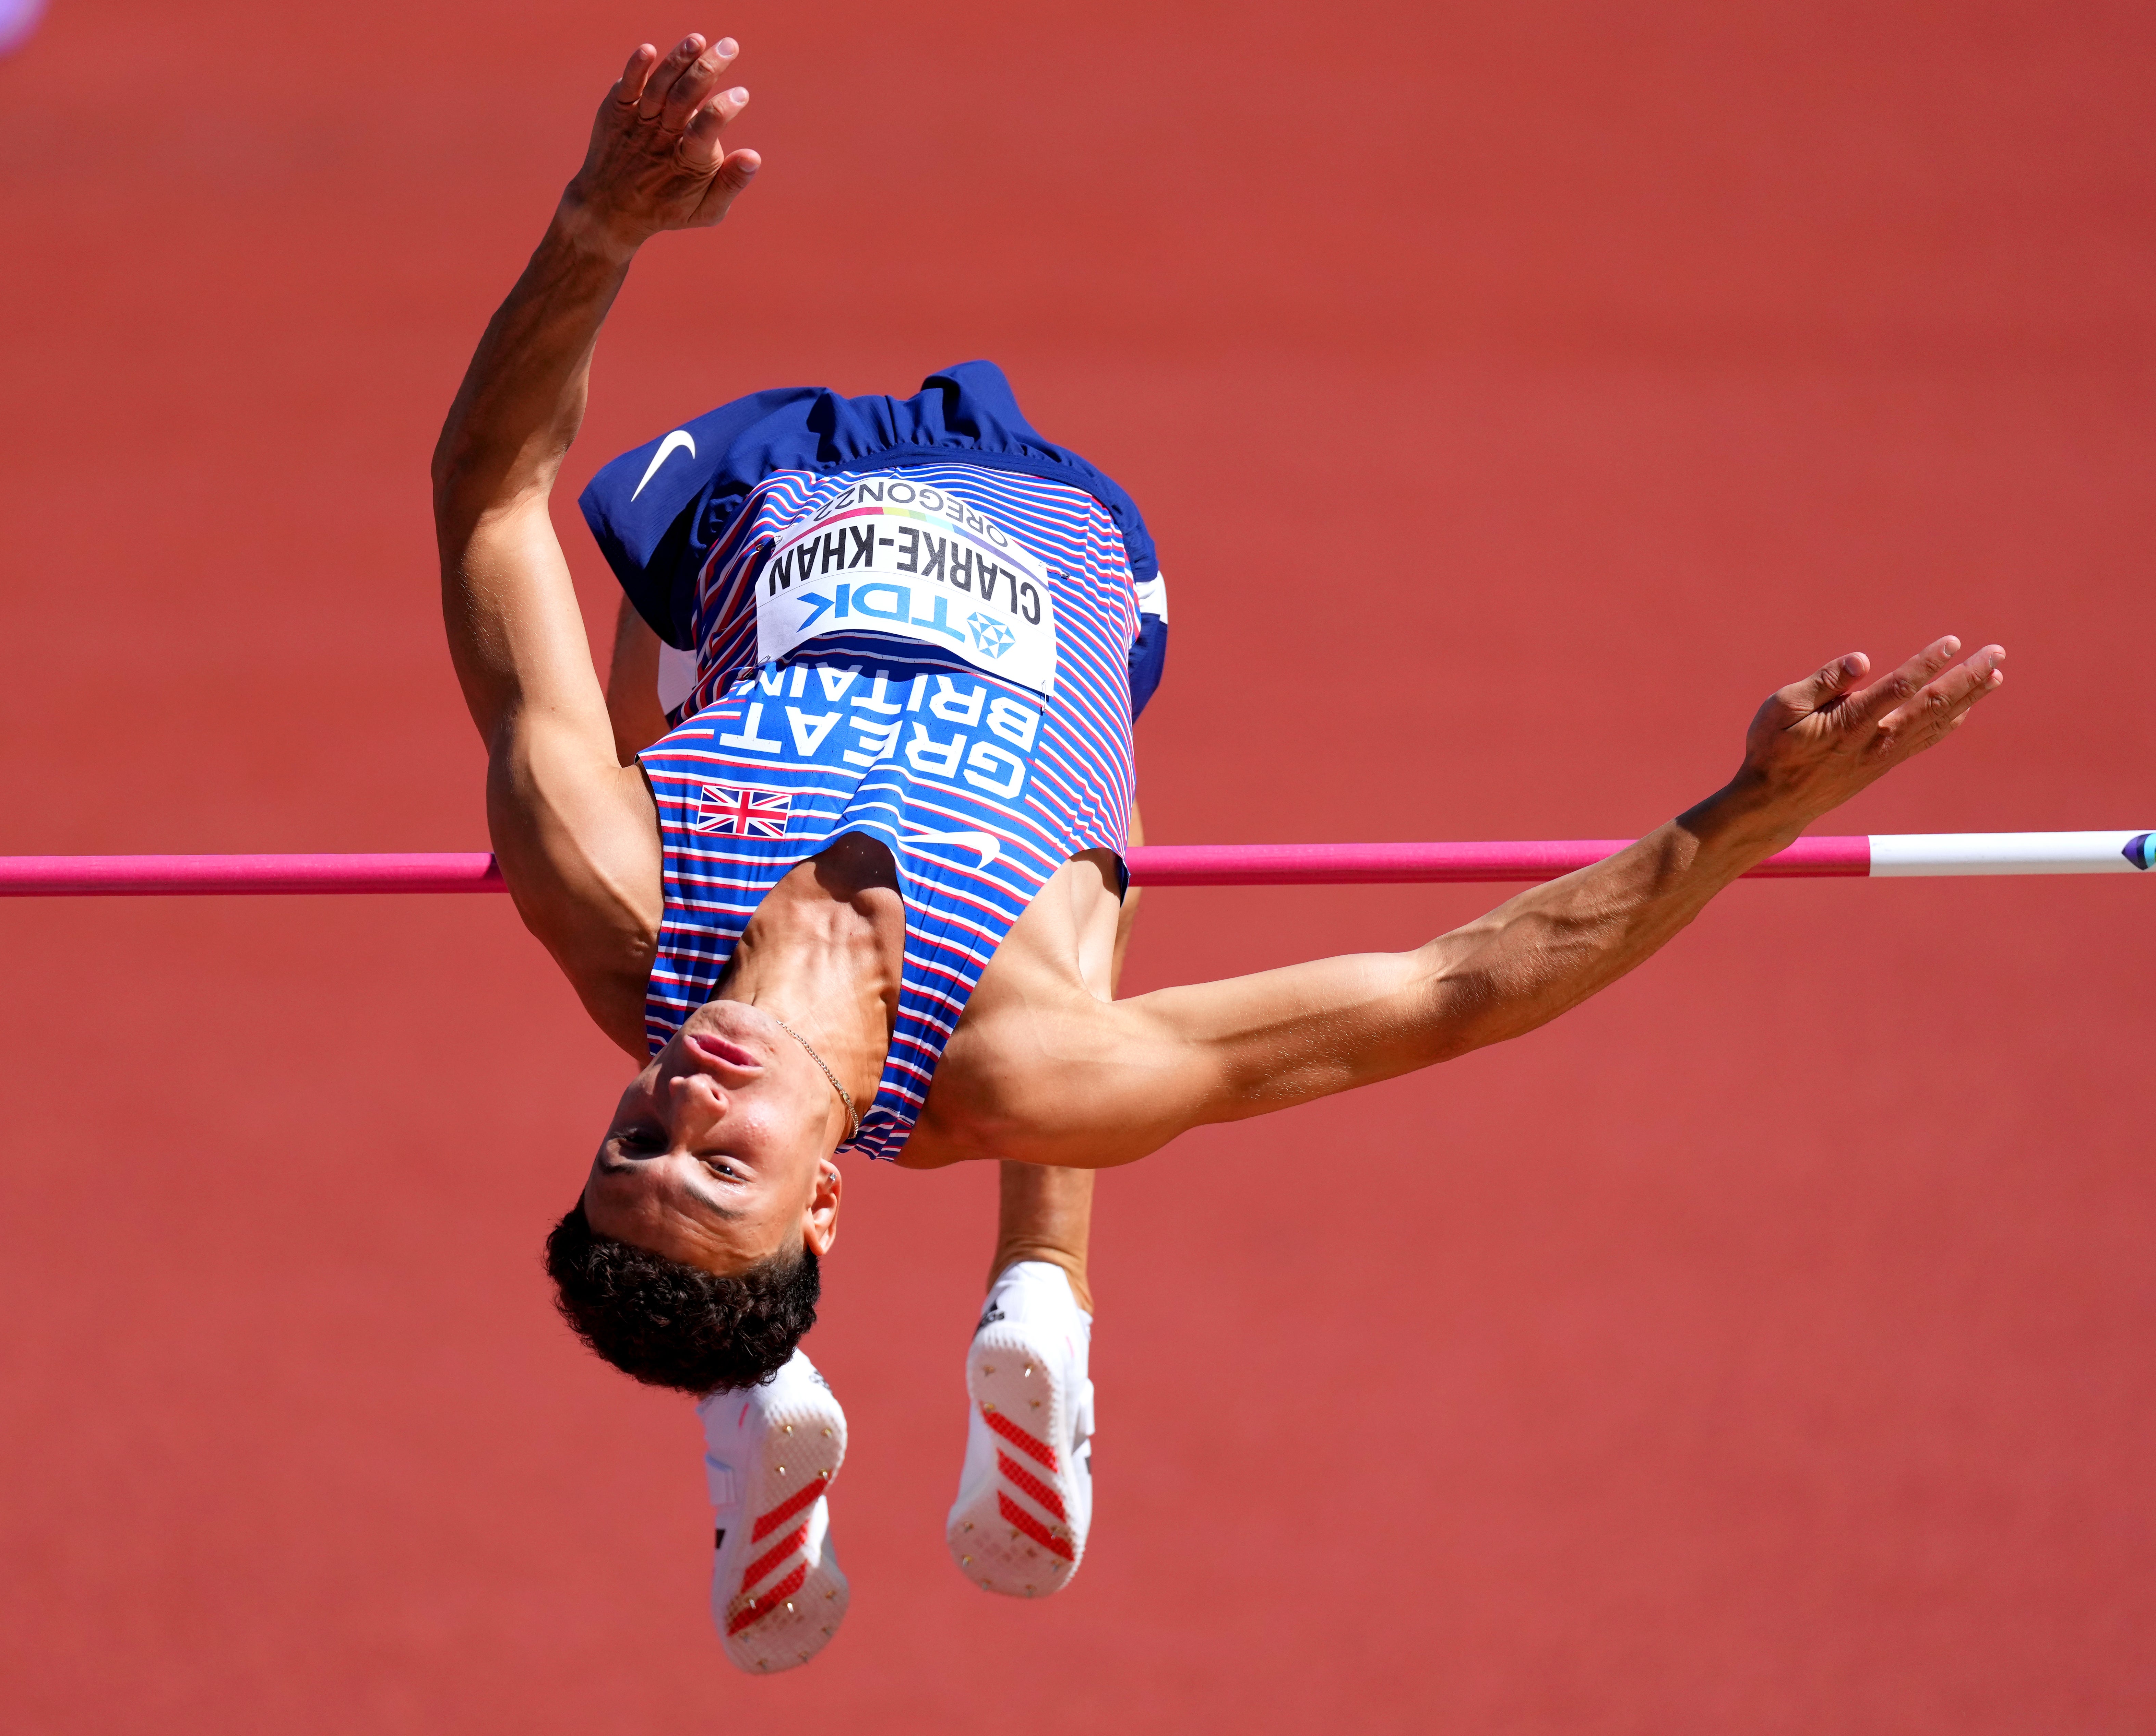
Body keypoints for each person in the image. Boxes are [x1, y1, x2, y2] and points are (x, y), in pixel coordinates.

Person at [428, 32, 2006, 1673]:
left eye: (634, 1142)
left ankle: (803, 1374)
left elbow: (488, 504)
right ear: (828, 1199)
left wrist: (594, 229)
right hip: (1058, 524)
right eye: (725, 1161)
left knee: (634, 657)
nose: (684, 1102)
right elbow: (1450, 988)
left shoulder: (609, 881)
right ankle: (1034, 1295)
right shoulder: (1030, 1057)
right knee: (1072, 900)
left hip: (754, 522)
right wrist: (1742, 817)